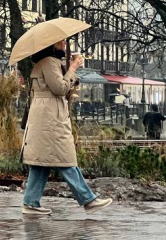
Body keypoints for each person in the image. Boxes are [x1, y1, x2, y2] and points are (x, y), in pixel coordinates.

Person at [21, 39, 113, 216]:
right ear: (53, 44)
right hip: (50, 118)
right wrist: (73, 68)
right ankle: (88, 199)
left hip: (47, 116)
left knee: (42, 162)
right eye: (61, 41)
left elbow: (58, 87)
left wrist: (70, 73)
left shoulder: (49, 61)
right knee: (66, 157)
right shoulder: (48, 62)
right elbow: (59, 88)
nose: (64, 43)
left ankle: (30, 203)